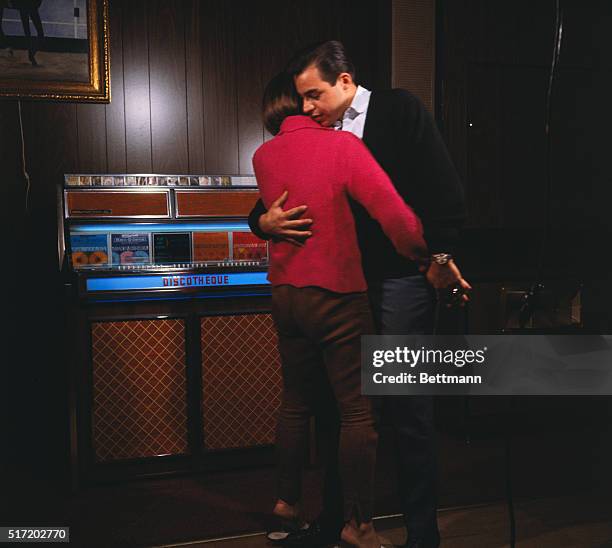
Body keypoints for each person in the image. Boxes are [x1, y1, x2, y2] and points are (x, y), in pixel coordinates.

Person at [249, 41, 471, 548]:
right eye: (301, 98)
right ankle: (339, 521)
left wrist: (434, 259)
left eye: (314, 95)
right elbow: (266, 202)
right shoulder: (320, 135)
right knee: (339, 408)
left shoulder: (398, 110)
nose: (305, 107)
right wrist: (261, 222)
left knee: (406, 406)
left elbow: (445, 197)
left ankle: (421, 534)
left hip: (398, 280)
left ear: (345, 82)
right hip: (341, 289)